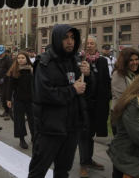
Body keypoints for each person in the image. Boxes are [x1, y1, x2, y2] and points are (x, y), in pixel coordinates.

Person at [28, 24, 93, 178]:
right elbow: (44, 93)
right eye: (65, 38)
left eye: (72, 38)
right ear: (57, 39)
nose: (70, 41)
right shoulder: (45, 63)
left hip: (72, 126)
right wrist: (72, 90)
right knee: (38, 170)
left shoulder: (77, 61)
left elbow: (86, 91)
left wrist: (88, 76)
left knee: (63, 170)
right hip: (50, 127)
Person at [78, 36, 111, 178]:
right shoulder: (79, 61)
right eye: (87, 44)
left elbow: (105, 81)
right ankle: (83, 163)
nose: (89, 46)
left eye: (92, 43)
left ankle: (89, 159)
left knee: (91, 133)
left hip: (98, 104)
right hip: (84, 104)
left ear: (96, 46)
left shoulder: (103, 61)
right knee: (84, 134)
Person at [111, 47, 139, 135]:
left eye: (136, 59)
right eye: (131, 60)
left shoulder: (137, 74)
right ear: (124, 62)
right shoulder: (117, 75)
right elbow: (123, 97)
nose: (135, 63)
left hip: (135, 114)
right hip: (121, 115)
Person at [6, 52, 35, 149]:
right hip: (19, 99)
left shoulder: (32, 70)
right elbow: (10, 87)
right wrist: (8, 99)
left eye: (22, 58)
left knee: (33, 119)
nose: (20, 59)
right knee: (19, 119)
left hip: (31, 99)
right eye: (19, 58)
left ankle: (34, 136)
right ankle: (22, 139)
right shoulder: (15, 71)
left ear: (27, 59)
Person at [0, 45, 13, 120]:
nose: (0, 55)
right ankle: (6, 111)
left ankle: (9, 112)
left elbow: (10, 70)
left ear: (5, 52)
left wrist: (4, 78)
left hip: (7, 81)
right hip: (1, 81)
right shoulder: (0, 59)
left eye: (1, 53)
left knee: (6, 96)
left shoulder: (8, 59)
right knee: (2, 97)